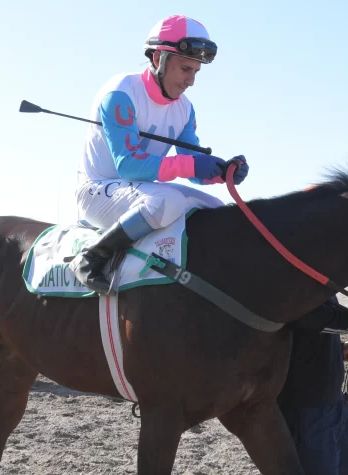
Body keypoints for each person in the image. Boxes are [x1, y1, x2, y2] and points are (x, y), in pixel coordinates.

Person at [70, 15, 249, 295]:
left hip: (142, 193)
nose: (191, 81)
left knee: (217, 209)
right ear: (157, 60)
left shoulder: (185, 109)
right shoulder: (120, 92)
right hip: (97, 190)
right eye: (185, 69)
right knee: (167, 200)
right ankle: (92, 257)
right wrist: (191, 164)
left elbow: (192, 168)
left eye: (196, 72)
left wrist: (221, 171)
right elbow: (128, 166)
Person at [278, 297, 348, 475]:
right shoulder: (292, 279)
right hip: (306, 410)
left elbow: (307, 333)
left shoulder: (321, 281)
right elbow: (302, 314)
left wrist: (338, 350)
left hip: (335, 405)